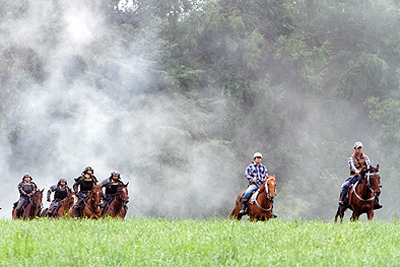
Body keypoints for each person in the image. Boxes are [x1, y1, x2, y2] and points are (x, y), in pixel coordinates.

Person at [339, 141, 383, 209]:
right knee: (345, 186)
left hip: (364, 176)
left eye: (360, 148)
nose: (359, 149)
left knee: (375, 185)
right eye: (358, 148)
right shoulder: (351, 157)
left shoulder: (366, 157)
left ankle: (376, 202)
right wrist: (356, 171)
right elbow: (352, 166)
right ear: (355, 149)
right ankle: (344, 201)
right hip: (354, 176)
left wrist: (366, 171)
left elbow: (369, 165)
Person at [239, 152, 277, 217]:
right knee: (247, 192)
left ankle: (271, 211)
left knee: (271, 194)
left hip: (262, 184)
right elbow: (246, 175)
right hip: (254, 184)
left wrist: (268, 179)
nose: (259, 159)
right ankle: (244, 209)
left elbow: (266, 176)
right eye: (257, 158)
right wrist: (252, 179)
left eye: (260, 158)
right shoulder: (250, 167)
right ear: (254, 159)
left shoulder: (263, 167)